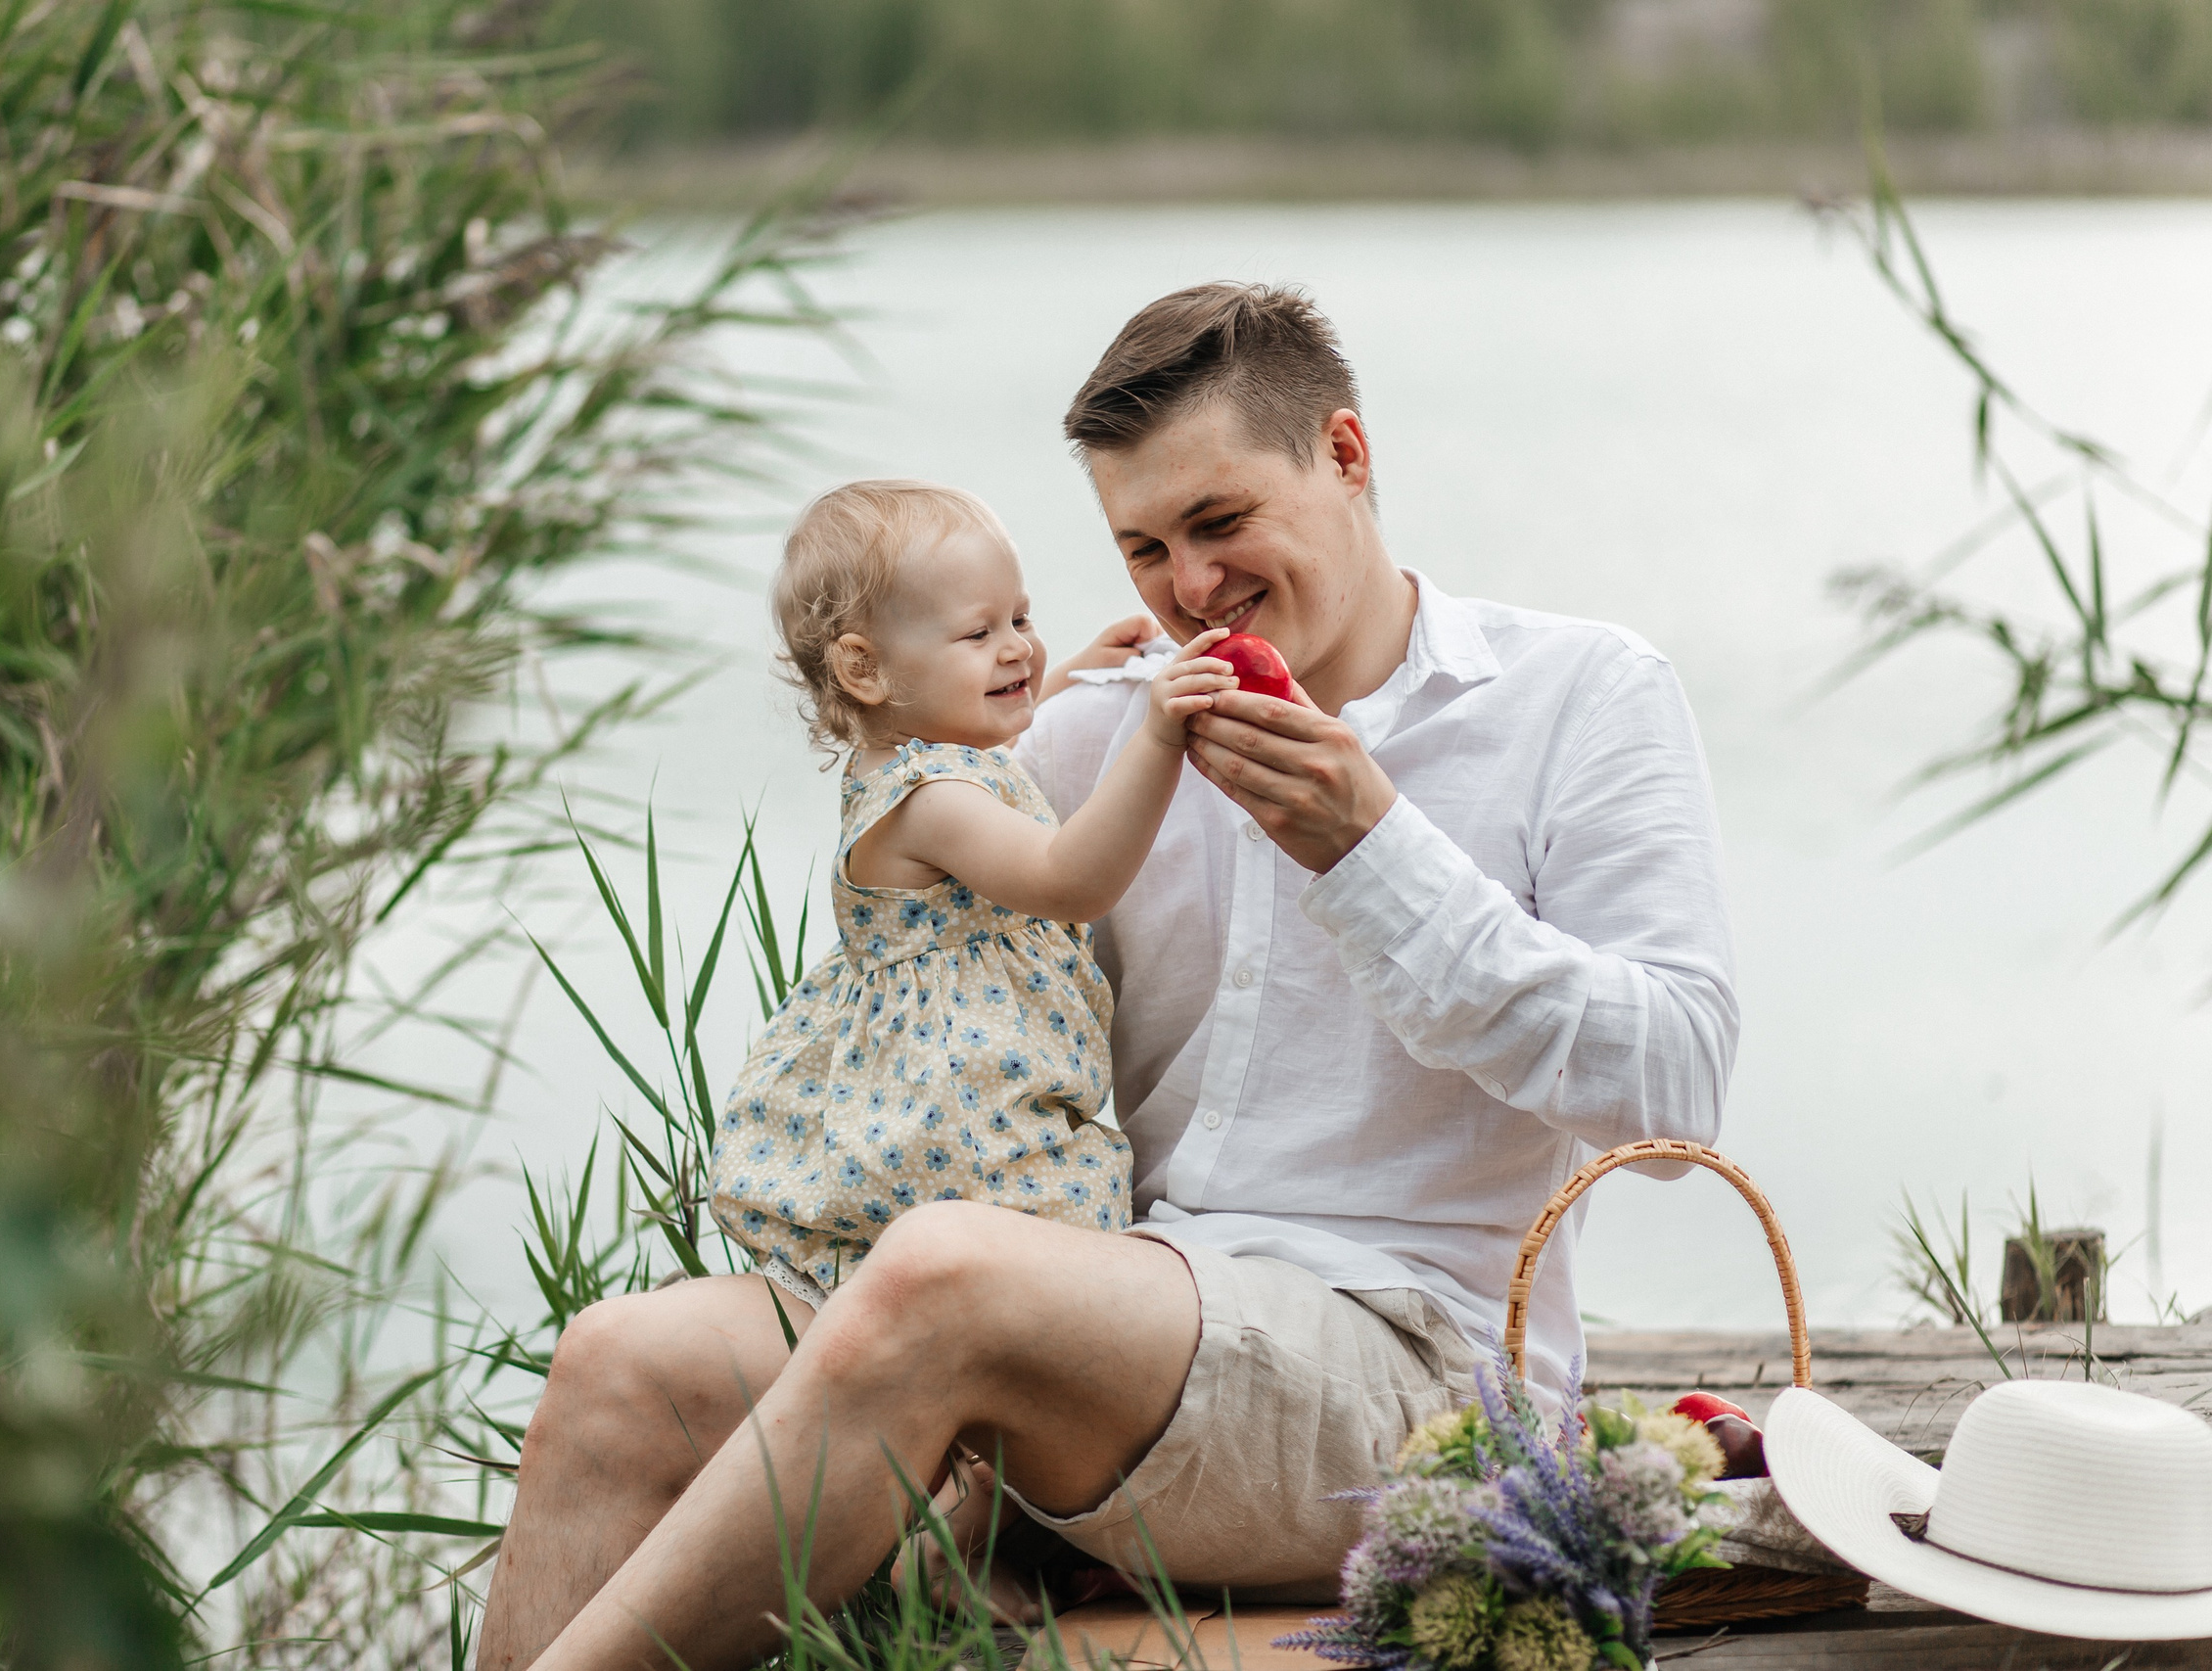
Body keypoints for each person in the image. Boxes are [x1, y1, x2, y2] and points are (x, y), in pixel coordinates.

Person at [473, 282, 1737, 1671]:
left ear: (1345, 455)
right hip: (1098, 1337)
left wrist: (1370, 849)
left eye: (1219, 521)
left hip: (1412, 1373)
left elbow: (1674, 1088)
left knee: (944, 1270)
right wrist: (1046, 707)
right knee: (620, 1359)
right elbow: (915, 824)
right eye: (1144, 547)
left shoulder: (1578, 696)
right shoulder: (1100, 739)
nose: (1189, 588)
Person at [710, 478, 1234, 1309]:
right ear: (865, 668)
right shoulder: (930, 803)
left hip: (942, 1091)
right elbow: (1070, 878)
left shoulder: (916, 756)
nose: (1017, 647)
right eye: (979, 632)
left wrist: (1064, 678)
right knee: (1059, 1242)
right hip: (966, 1118)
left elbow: (975, 745)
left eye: (1020, 618)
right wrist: (1157, 735)